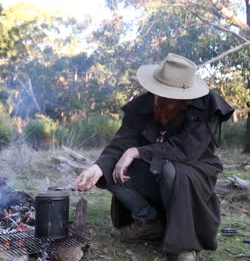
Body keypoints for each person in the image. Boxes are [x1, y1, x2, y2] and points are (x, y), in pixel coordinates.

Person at [72, 53, 234, 261]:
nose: (158, 102)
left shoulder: (206, 108)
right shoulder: (145, 104)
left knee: (170, 169)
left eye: (168, 98)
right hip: (152, 171)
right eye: (157, 94)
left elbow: (185, 150)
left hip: (191, 173)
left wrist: (136, 151)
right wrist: (97, 167)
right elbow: (122, 142)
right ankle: (148, 223)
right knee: (112, 170)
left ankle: (184, 245)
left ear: (185, 100)